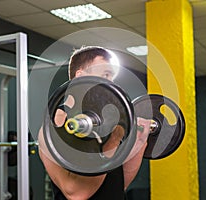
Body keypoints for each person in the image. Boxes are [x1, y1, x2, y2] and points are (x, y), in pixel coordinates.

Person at [38, 46, 152, 200]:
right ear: (81, 77)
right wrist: (114, 140)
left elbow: (119, 184)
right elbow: (76, 193)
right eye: (106, 75)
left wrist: (140, 140)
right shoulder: (54, 126)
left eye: (112, 77)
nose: (111, 84)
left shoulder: (106, 122)